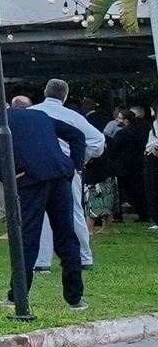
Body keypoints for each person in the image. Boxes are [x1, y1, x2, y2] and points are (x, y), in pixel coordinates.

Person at [0, 94, 90, 310]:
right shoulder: (40, 115)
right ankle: (75, 297)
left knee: (27, 238)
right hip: (59, 175)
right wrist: (75, 165)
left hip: (29, 179)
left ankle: (17, 296)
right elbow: (77, 135)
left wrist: (7, 175)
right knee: (66, 235)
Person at [32, 79, 105, 270]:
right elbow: (98, 140)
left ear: (45, 91)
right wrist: (78, 159)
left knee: (40, 213)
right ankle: (84, 257)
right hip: (66, 168)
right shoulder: (73, 116)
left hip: (38, 168)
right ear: (65, 96)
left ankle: (42, 261)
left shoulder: (32, 113)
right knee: (74, 211)